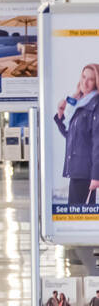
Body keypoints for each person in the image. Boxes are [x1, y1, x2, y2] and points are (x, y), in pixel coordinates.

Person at [54, 64, 99, 207]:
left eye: (90, 79)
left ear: (96, 83)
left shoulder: (95, 106)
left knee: (80, 216)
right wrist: (60, 116)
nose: (85, 82)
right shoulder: (79, 104)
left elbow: (98, 143)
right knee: (77, 214)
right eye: (83, 77)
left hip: (85, 173)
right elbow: (70, 137)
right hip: (76, 170)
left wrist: (96, 176)